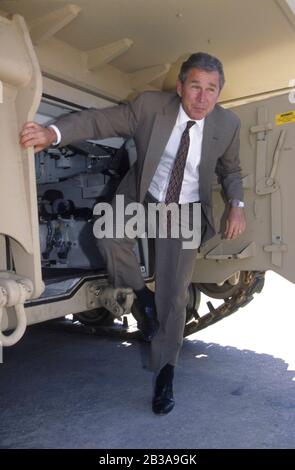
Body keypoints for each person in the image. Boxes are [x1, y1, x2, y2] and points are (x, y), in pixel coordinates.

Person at [20, 52, 246, 415]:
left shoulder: (227, 124)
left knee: (173, 297)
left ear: (219, 92)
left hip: (184, 209)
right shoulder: (150, 107)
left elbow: (231, 170)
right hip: (144, 194)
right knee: (106, 233)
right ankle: (140, 296)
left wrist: (237, 203)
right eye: (195, 87)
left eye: (211, 89)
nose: (203, 98)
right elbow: (100, 122)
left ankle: (165, 372)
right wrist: (53, 132)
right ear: (180, 87)